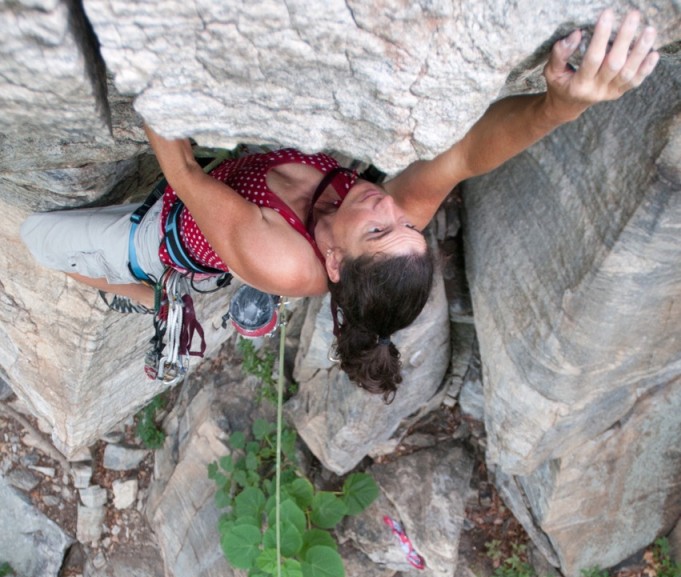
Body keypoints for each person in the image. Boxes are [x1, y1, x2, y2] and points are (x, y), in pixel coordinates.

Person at [21, 9, 659, 399]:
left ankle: (142, 287)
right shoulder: (382, 212)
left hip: (172, 230)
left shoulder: (286, 263)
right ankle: (172, 295)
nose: (390, 203)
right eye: (407, 224)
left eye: (380, 230)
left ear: (332, 262)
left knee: (36, 238)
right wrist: (560, 107)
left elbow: (184, 172)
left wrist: (138, 52)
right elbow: (466, 157)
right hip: (232, 211)